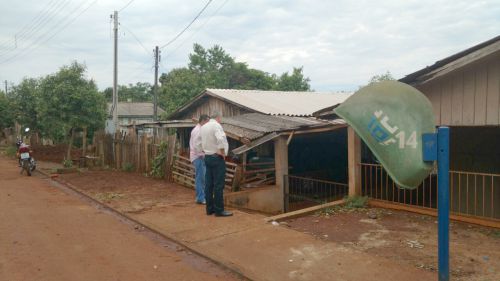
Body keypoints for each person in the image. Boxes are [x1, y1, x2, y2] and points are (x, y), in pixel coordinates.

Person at [201, 111, 232, 217]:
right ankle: (219, 210)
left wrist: (205, 150)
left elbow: (199, 143)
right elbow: (221, 139)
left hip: (207, 157)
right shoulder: (216, 126)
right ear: (218, 118)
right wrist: (223, 153)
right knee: (218, 185)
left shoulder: (203, 127)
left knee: (209, 185)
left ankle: (209, 209)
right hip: (216, 157)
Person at [189, 114, 210, 204]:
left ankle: (201, 197)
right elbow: (197, 145)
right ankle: (200, 198)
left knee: (202, 177)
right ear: (203, 121)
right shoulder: (198, 130)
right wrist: (203, 154)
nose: (208, 124)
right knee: (200, 178)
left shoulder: (198, 129)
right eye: (207, 122)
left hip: (198, 156)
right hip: (198, 157)